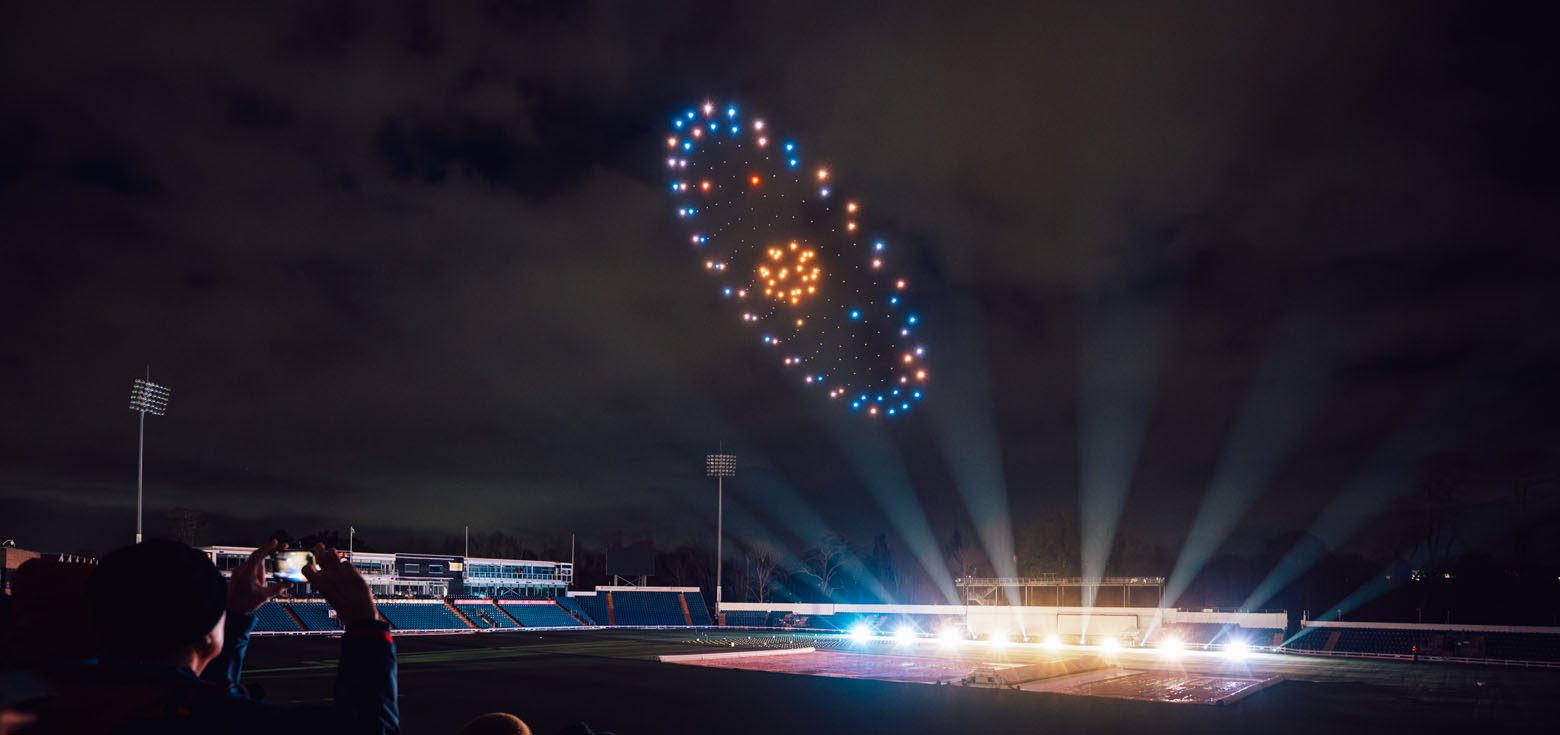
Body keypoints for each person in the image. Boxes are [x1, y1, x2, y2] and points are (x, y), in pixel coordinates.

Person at [28, 538, 397, 734]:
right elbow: (370, 728)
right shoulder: (217, 719)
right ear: (207, 638)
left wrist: (232, 614)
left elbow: (194, 694)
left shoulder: (42, 702)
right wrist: (363, 621)